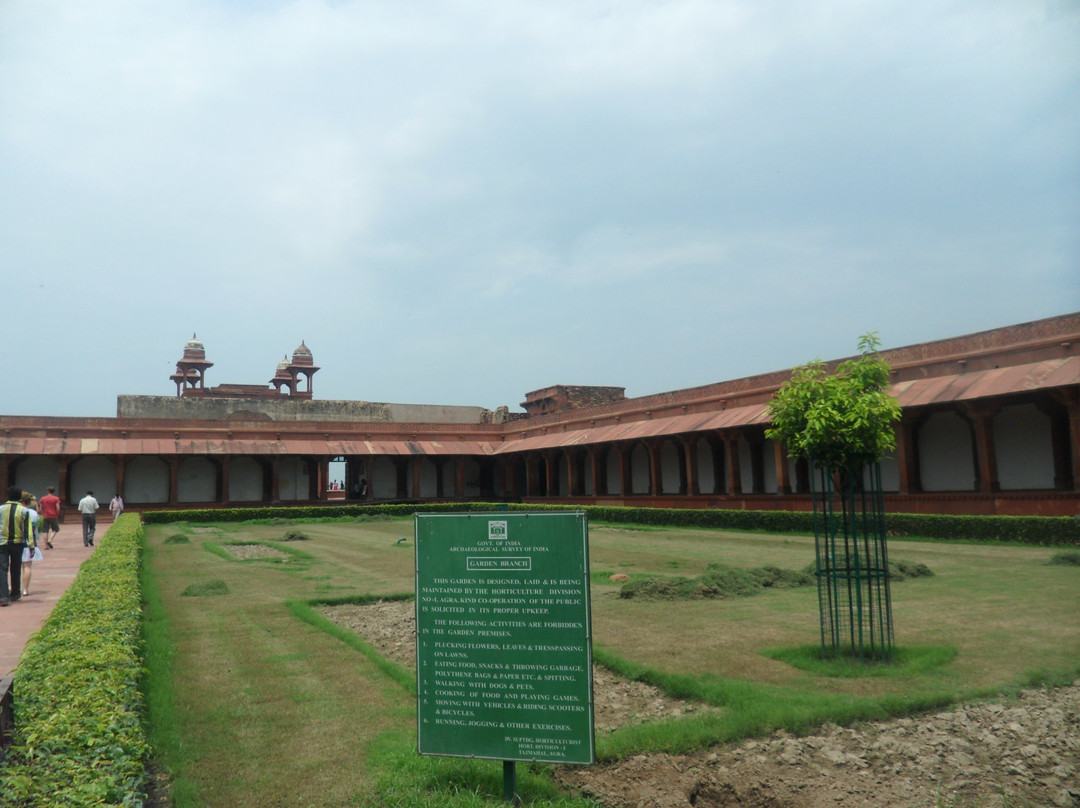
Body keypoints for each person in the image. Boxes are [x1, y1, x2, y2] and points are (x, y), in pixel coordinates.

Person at [0, 485, 35, 605]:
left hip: (2, 543)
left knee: (2, 569)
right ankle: (15, 593)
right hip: (18, 543)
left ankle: (3, 596)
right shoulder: (24, 511)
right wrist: (31, 546)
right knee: (15, 568)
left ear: (7, 496)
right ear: (19, 497)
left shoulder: (1, 509)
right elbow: (28, 530)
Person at [20, 492, 42, 597]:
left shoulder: (17, 511)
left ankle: (13, 587)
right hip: (30, 541)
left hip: (16, 540)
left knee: (14, 566)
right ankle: (25, 589)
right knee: (27, 566)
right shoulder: (33, 513)